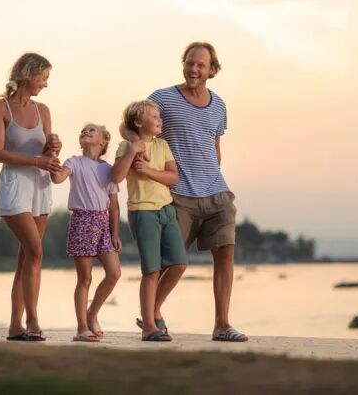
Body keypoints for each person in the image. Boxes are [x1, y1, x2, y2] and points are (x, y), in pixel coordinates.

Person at [125, 42, 247, 342]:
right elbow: (132, 125)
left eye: (201, 65)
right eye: (190, 63)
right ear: (184, 64)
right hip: (177, 194)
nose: (194, 69)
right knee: (172, 262)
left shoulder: (219, 106)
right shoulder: (162, 98)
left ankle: (222, 325)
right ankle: (152, 314)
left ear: (212, 70)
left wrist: (212, 172)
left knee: (226, 254)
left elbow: (215, 147)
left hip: (216, 192)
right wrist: (134, 148)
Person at [0, 53, 62, 341]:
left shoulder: (43, 110)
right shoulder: (0, 108)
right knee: (35, 251)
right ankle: (32, 321)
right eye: (43, 78)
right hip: (15, 187)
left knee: (26, 258)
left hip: (40, 188)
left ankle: (14, 326)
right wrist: (37, 161)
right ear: (28, 75)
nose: (45, 84)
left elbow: (48, 155)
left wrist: (54, 147)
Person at [112, 100, 187, 342]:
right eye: (154, 116)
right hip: (142, 212)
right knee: (151, 270)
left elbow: (173, 177)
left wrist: (148, 171)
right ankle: (149, 328)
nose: (159, 120)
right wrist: (133, 151)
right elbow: (117, 176)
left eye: (159, 117)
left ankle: (152, 311)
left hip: (166, 210)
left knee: (178, 264)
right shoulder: (126, 147)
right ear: (138, 122)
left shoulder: (163, 145)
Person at [51, 123, 122, 342]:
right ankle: (82, 328)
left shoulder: (108, 169)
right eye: (83, 130)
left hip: (102, 222)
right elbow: (58, 178)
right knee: (85, 278)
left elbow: (114, 205)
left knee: (114, 273)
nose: (85, 132)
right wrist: (54, 154)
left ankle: (92, 314)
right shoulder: (74, 162)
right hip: (82, 220)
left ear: (103, 141)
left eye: (91, 130)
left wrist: (114, 233)